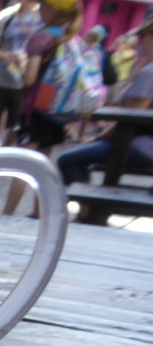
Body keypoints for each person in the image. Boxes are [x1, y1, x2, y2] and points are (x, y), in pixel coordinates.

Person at [57, 15, 153, 212]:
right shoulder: (144, 68)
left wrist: (96, 138)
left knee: (68, 160)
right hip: (140, 143)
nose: (138, 41)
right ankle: (89, 210)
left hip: (138, 145)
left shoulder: (148, 73)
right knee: (79, 158)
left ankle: (88, 211)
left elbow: (131, 119)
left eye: (141, 35)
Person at [2, 0, 85, 216]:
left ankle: (7, 212)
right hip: (55, 110)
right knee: (44, 165)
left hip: (34, 110)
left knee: (23, 165)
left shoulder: (41, 37)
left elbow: (29, 79)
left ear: (52, 9)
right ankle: (38, 212)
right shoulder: (68, 37)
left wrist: (20, 65)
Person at [0, 0, 42, 147]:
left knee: (15, 129)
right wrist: (2, 55)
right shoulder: (6, 16)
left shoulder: (43, 18)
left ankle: (7, 158)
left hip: (26, 83)